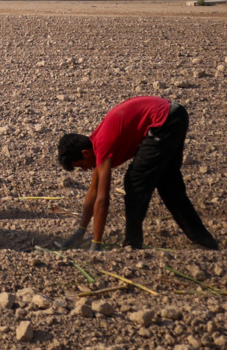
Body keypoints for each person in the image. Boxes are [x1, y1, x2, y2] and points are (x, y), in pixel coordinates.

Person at [55, 96, 218, 251]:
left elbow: (102, 200)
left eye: (80, 166)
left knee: (135, 181)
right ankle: (204, 241)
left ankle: (132, 245)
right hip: (173, 115)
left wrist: (96, 243)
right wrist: (80, 231)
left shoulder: (102, 146)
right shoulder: (96, 143)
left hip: (165, 120)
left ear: (85, 153)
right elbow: (93, 191)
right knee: (169, 185)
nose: (84, 169)